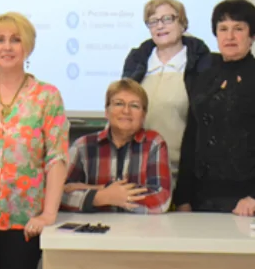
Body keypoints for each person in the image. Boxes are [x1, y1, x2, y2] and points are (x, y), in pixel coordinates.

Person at [0, 12, 68, 269]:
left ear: (27, 47)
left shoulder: (47, 96)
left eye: (15, 40)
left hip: (25, 220)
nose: (7, 47)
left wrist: (48, 215)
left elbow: (57, 157)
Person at [174, 0, 255, 216]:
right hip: (201, 197)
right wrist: (183, 197)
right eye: (223, 29)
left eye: (238, 29)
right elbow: (192, 137)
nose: (229, 36)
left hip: (248, 200)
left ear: (252, 36)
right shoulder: (203, 77)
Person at [122, 0, 212, 182]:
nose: (160, 26)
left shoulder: (201, 66)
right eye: (153, 21)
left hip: (185, 172)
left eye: (167, 19)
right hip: (138, 169)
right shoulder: (137, 63)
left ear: (182, 24)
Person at [61, 79, 172, 214]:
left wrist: (98, 189)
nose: (126, 111)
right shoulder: (82, 145)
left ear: (143, 115)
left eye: (134, 106)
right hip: (94, 225)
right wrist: (101, 197)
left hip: (139, 226)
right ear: (106, 111)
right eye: (119, 103)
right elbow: (58, 194)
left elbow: (161, 199)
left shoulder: (154, 143)